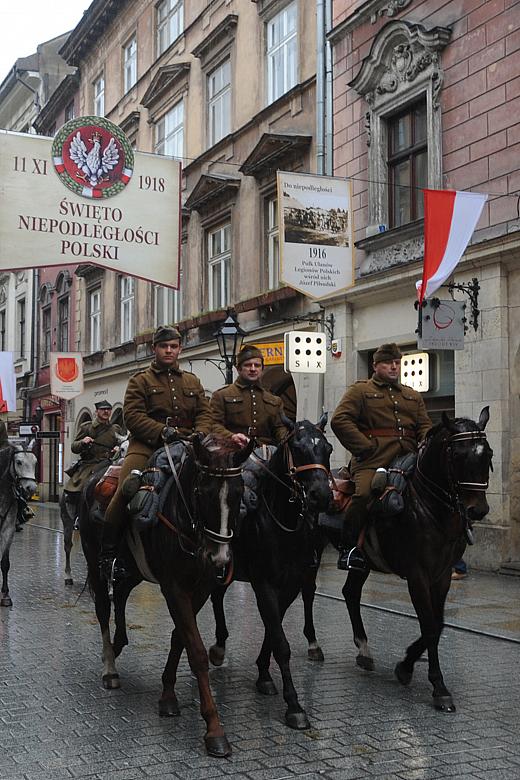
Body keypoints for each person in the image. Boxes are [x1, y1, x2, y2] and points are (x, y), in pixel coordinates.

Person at [99, 325, 213, 578]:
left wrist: (201, 433)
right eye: (164, 346)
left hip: (186, 445)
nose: (169, 350)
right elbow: (132, 416)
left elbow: (205, 412)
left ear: (180, 349)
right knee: (125, 490)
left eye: (173, 346)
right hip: (147, 446)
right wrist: (161, 431)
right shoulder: (140, 380)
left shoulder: (192, 381)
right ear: (155, 349)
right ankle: (108, 555)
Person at [331, 343, 432, 571]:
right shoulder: (360, 391)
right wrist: (364, 447)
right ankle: (348, 549)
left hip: (408, 458)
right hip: (372, 461)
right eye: (388, 363)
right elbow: (340, 420)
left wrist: (425, 444)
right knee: (364, 493)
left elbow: (425, 426)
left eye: (397, 363)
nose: (394, 367)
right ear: (375, 365)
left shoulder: (412, 395)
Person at [210, 345, 288, 447]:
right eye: (248, 365)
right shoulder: (221, 395)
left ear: (262, 369)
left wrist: (287, 438)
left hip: (267, 453)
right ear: (239, 369)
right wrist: (231, 436)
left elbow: (279, 428)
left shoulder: (274, 400)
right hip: (233, 451)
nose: (253, 369)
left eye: (257, 365)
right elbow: (213, 424)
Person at [63, 400, 121, 523]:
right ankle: (78, 515)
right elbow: (74, 446)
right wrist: (83, 442)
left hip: (109, 463)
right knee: (82, 486)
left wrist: (118, 448)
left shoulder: (115, 428)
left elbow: (122, 443)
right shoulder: (87, 427)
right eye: (103, 409)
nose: (106, 411)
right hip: (90, 464)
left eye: (108, 409)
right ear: (97, 412)